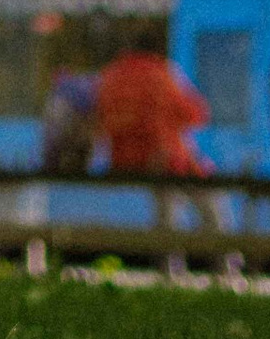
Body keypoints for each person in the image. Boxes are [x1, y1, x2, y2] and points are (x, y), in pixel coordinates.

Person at [90, 20, 214, 238]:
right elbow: (196, 114)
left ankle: (166, 251)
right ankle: (220, 254)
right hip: (161, 159)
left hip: (122, 159)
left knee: (168, 201)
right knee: (209, 203)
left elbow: (99, 119)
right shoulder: (161, 74)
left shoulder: (111, 74)